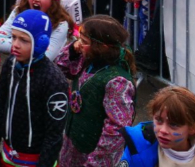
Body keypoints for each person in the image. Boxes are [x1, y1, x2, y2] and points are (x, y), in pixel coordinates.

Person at [0, 9, 69, 167]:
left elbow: (54, 133)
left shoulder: (54, 80)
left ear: (41, 42)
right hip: (7, 156)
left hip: (36, 160)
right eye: (14, 37)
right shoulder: (10, 64)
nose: (15, 44)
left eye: (24, 40)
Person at [56, 15, 137, 167]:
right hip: (72, 145)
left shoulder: (117, 82)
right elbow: (60, 68)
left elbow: (116, 130)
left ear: (102, 47)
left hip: (91, 154)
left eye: (84, 42)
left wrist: (95, 163)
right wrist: (73, 50)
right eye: (78, 39)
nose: (79, 45)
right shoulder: (87, 60)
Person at [119, 87, 195, 167]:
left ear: (193, 128)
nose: (163, 130)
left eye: (174, 125)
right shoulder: (138, 148)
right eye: (159, 120)